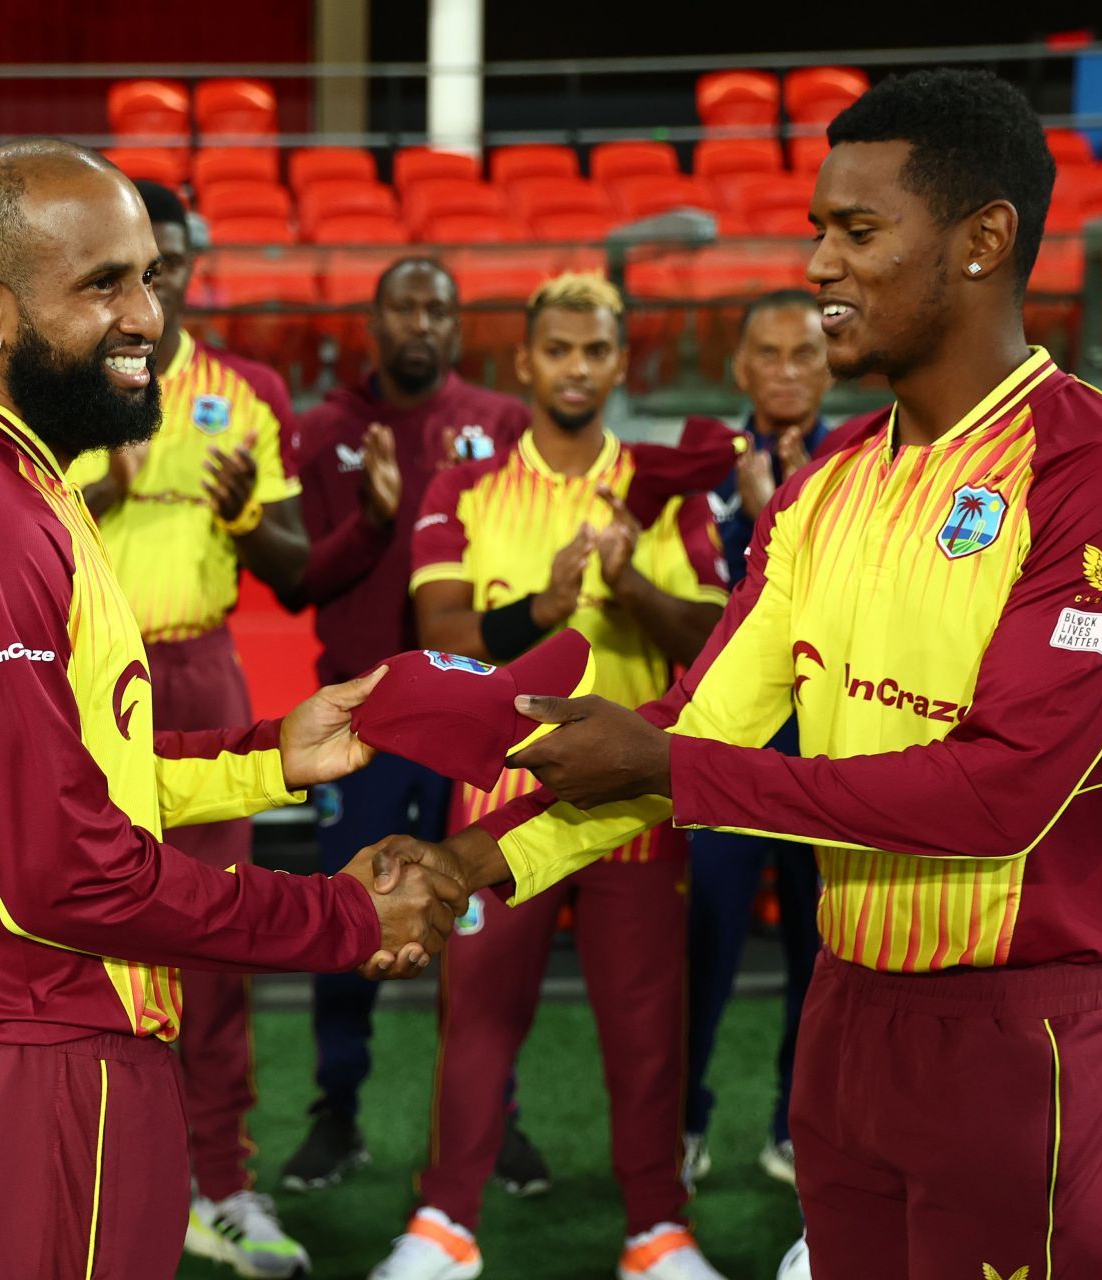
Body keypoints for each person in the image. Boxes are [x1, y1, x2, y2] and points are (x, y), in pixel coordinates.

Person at [377, 70, 1102, 1280]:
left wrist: (681, 767)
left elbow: (1000, 798)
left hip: (1029, 1020)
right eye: (818, 228)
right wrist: (469, 862)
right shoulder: (827, 488)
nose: (819, 263)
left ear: (986, 240)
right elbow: (694, 721)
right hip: (844, 1004)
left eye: (858, 231)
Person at [0, 137, 463, 1280]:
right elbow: (66, 871)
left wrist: (264, 757)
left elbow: (81, 770)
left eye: (151, 277)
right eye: (102, 285)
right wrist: (342, 915)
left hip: (35, 1036)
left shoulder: (20, 479)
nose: (147, 317)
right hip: (35, 1054)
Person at [368, 273, 729, 1280]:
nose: (577, 366)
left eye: (596, 350)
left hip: (633, 802)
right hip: (499, 791)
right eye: (558, 349)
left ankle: (656, 1229)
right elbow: (442, 638)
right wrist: (547, 603)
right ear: (523, 361)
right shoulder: (463, 489)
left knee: (646, 1018)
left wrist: (629, 582)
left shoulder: (667, 493)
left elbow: (717, 639)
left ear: (621, 363)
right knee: (475, 1007)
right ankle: (445, 1224)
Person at [66, 179, 313, 1277]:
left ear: (192, 266)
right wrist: (103, 502)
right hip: (80, 685)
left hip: (204, 674)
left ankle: (225, 1178)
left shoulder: (248, 393)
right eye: (131, 264)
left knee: (213, 937)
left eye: (168, 263)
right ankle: (108, 1173)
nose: (152, 282)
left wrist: (251, 512)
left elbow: (297, 570)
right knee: (83, 936)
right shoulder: (64, 389)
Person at [280, 258, 541, 1195]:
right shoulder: (324, 433)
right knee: (346, 913)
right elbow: (300, 579)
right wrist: (376, 519)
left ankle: (492, 1118)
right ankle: (338, 1111)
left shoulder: (504, 427)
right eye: (404, 305)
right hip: (364, 724)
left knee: (483, 924)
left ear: (458, 326)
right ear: (373, 322)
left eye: (438, 307)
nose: (420, 321)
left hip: (476, 726)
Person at [681, 290, 833, 1189]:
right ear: (739, 368)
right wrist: (753, 523)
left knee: (825, 958)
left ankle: (798, 1125)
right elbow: (698, 613)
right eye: (768, 354)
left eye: (804, 354)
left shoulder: (867, 466)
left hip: (830, 753)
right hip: (729, 752)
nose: (786, 370)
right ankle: (684, 1123)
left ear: (829, 362)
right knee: (706, 946)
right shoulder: (699, 468)